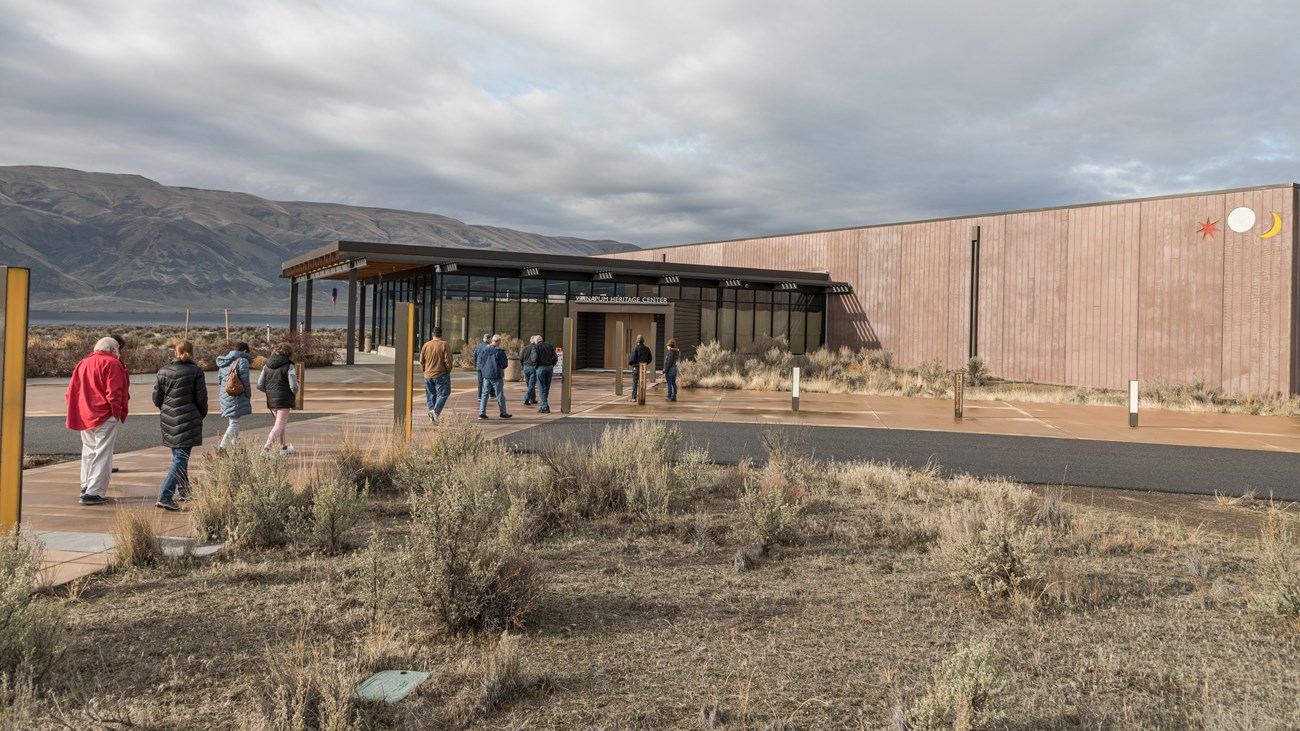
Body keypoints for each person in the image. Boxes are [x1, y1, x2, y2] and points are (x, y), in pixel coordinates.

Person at [65, 337, 130, 505]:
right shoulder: (112, 364)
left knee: (89, 451)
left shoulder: (83, 363)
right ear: (113, 349)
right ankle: (94, 492)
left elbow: (71, 391)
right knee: (103, 453)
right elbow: (114, 391)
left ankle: (86, 485)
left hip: (85, 414)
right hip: (104, 414)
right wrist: (116, 412)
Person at [152, 341, 208, 511]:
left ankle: (185, 491)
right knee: (181, 458)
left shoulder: (163, 371)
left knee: (179, 456)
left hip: (169, 419)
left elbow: (156, 398)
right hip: (189, 418)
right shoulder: (196, 371)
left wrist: (167, 410)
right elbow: (201, 399)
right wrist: (200, 414)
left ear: (175, 352)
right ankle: (165, 496)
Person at [257, 342, 299, 456]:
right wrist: (294, 393)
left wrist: (271, 391)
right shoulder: (289, 366)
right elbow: (293, 386)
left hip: (271, 400)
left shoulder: (266, 366)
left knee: (280, 423)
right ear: (289, 353)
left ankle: (283, 447)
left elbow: (260, 385)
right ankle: (266, 449)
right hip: (284, 399)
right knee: (280, 424)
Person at [215, 342, 253, 449]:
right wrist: (248, 395)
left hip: (225, 394)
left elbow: (219, 380)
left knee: (233, 421)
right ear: (245, 351)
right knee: (234, 422)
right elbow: (245, 381)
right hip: (237, 394)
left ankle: (234, 446)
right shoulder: (242, 361)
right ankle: (223, 446)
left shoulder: (224, 361)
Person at [420, 326, 453, 422]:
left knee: (431, 396)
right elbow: (448, 361)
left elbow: (421, 360)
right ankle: (435, 412)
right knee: (444, 394)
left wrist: (425, 370)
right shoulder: (444, 344)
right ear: (441, 334)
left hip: (428, 375)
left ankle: (433, 417)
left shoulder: (426, 345)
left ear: (432, 334)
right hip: (441, 374)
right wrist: (448, 370)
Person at [477, 334, 512, 420]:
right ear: (499, 341)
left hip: (486, 375)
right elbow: (504, 365)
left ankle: (482, 413)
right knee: (499, 394)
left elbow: (480, 362)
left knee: (484, 394)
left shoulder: (485, 350)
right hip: (496, 375)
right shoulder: (500, 352)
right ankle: (503, 413)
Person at [533, 335, 558, 414]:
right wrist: (552, 365)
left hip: (541, 368)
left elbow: (534, 358)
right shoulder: (549, 346)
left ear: (536, 341)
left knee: (541, 388)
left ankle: (544, 407)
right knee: (546, 388)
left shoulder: (536, 347)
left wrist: (536, 366)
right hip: (549, 368)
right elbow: (555, 357)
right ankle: (543, 405)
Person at [628, 334, 653, 402]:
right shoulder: (647, 349)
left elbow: (631, 359)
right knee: (642, 382)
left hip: (636, 368)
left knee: (635, 382)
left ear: (637, 341)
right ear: (643, 341)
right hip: (643, 367)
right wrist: (645, 363)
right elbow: (650, 358)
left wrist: (632, 364)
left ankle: (634, 398)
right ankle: (642, 397)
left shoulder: (635, 348)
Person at [520, 335, 541, 406]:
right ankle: (526, 398)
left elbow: (521, 358)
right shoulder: (535, 348)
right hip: (532, 367)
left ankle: (533, 399)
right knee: (531, 385)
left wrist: (523, 365)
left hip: (525, 367)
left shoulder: (525, 348)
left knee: (529, 384)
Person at [473, 333, 492, 397]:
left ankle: (479, 396)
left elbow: (474, 355)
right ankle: (489, 394)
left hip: (479, 366)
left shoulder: (478, 346)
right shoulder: (489, 346)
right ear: (489, 339)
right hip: (486, 367)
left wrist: (476, 362)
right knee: (488, 381)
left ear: (483, 339)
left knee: (480, 382)